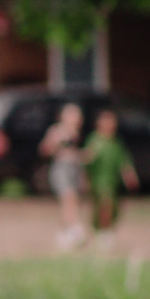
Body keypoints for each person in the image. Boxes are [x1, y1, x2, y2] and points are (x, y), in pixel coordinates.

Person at [81, 106, 138, 250]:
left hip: (113, 181)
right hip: (99, 180)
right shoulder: (94, 139)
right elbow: (87, 158)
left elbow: (123, 161)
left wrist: (129, 175)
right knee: (104, 204)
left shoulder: (116, 142)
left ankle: (104, 230)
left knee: (113, 207)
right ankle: (103, 233)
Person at [41, 103, 87, 250]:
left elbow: (74, 153)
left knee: (72, 199)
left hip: (73, 168)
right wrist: (56, 143)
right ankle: (73, 228)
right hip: (61, 169)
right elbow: (45, 149)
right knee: (68, 197)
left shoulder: (76, 133)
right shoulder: (57, 131)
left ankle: (66, 231)